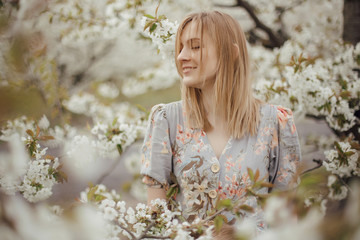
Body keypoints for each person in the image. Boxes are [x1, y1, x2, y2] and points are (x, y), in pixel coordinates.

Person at [140, 11, 301, 232]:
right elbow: (154, 224)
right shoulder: (166, 120)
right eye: (180, 48)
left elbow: (286, 224)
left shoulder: (276, 123)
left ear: (231, 53)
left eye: (195, 47)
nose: (181, 56)